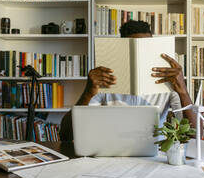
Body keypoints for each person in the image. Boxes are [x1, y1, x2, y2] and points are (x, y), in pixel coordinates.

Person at [60, 20, 195, 141]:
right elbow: (67, 134)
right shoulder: (105, 80)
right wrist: (88, 92)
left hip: (155, 156)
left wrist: (183, 91)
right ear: (122, 50)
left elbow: (194, 135)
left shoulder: (167, 82)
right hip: (112, 155)